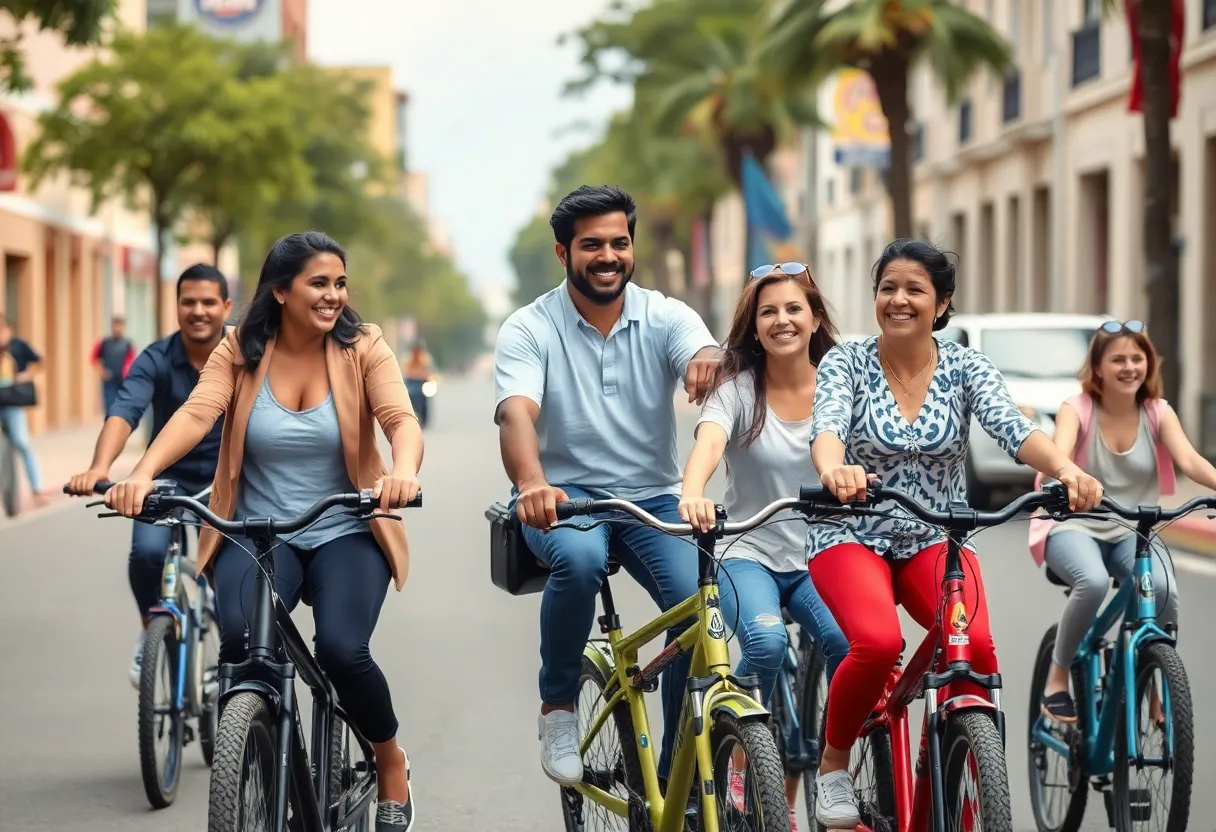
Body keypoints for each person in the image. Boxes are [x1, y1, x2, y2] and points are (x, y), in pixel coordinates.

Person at [104, 232, 423, 832]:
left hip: (344, 528)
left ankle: (389, 762)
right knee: (240, 648)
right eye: (318, 283)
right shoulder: (239, 349)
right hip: (256, 531)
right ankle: (253, 754)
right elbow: (198, 413)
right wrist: (142, 473)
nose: (334, 296)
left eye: (340, 283)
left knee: (340, 650)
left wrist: (402, 471)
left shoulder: (364, 345)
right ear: (279, 291)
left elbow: (399, 419)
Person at [806, 238, 1104, 829]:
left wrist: (1067, 469)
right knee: (878, 643)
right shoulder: (847, 361)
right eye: (888, 288)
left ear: (942, 304)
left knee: (977, 653)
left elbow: (1013, 429)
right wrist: (832, 469)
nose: (898, 300)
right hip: (853, 535)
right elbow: (829, 426)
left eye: (914, 290)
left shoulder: (966, 367)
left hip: (936, 541)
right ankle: (834, 766)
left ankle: (955, 758)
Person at [493, 185, 723, 791]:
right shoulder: (529, 326)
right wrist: (532, 482)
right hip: (566, 499)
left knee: (696, 611)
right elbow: (516, 413)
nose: (607, 255)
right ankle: (559, 707)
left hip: (652, 498)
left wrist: (706, 356)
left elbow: (701, 347)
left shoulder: (665, 313)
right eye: (591, 244)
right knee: (582, 559)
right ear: (562, 252)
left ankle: (678, 765)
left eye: (619, 242)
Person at [679, 262, 848, 830]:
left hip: (819, 556)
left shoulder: (838, 384)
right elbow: (707, 444)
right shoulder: (737, 391)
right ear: (753, 328)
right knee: (767, 643)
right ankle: (740, 733)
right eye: (767, 312)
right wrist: (693, 492)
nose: (782, 320)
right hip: (748, 553)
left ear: (815, 316)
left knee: (850, 645)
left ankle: (838, 766)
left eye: (794, 308)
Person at [1034, 320, 1216, 723]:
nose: (1130, 366)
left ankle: (1151, 677)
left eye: (1138, 358)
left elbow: (1190, 461)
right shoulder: (1076, 408)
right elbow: (1058, 456)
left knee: (1163, 591)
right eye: (1118, 359)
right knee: (1094, 581)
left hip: (1132, 528)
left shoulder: (1157, 412)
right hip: (1073, 524)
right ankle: (1058, 676)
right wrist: (1065, 479)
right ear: (1098, 367)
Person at [67, 265, 233, 686]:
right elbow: (125, 410)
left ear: (226, 307)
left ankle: (231, 649)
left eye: (208, 302)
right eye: (188, 302)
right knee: (146, 554)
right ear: (175, 306)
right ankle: (151, 629)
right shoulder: (156, 358)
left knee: (233, 578)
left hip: (228, 482)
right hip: (164, 480)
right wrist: (99, 469)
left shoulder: (244, 355)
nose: (198, 311)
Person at [0, 317, 50, 509]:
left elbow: (41, 361)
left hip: (12, 404)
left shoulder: (18, 346)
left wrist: (25, 375)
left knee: (22, 443)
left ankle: (37, 490)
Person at [93, 315, 136, 414]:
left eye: (120, 325)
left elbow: (132, 360)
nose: (118, 328)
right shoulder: (104, 343)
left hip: (123, 381)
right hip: (109, 381)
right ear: (112, 326)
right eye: (116, 325)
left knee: (122, 408)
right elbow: (94, 358)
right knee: (109, 408)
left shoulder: (128, 344)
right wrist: (102, 372)